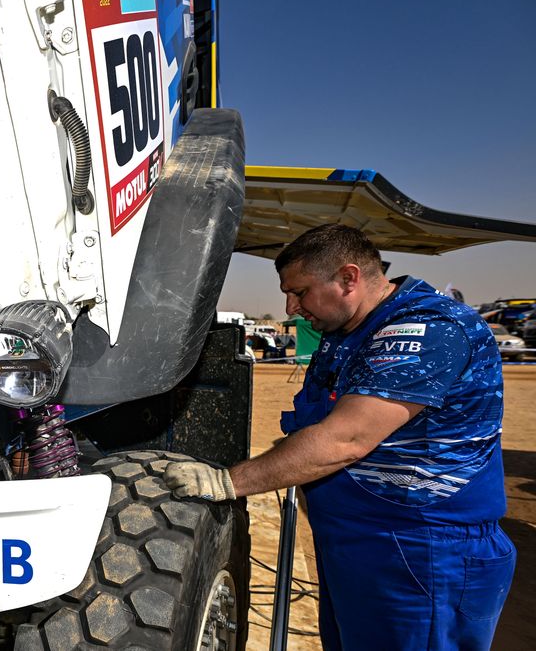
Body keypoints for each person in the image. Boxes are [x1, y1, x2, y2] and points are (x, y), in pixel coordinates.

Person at [164, 224, 515, 650]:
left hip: (422, 552)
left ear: (348, 278)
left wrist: (228, 482)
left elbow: (345, 439)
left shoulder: (426, 328)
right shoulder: (346, 336)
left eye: (300, 291)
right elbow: (312, 430)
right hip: (359, 545)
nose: (291, 307)